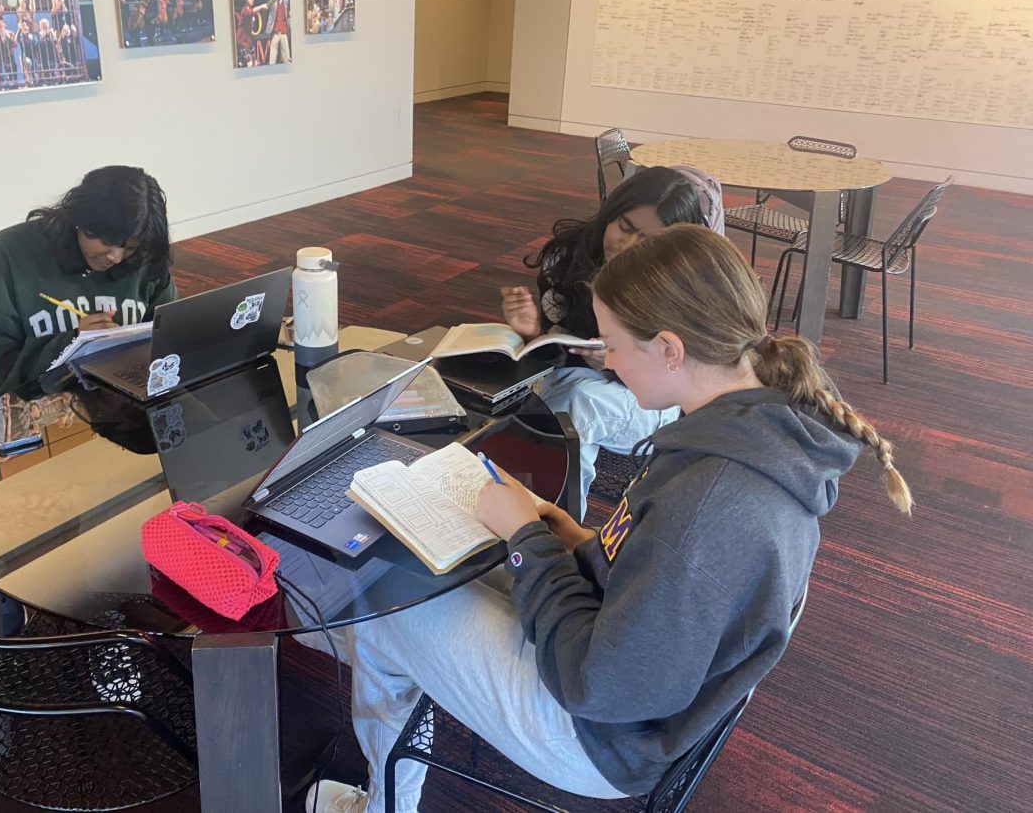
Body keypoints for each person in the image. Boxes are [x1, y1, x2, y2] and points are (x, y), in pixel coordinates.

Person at [307, 225, 913, 813]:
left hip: (596, 733)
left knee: (383, 605)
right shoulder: (752, 436)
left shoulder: (707, 503)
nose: (607, 362)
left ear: (670, 349)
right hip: (638, 685)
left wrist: (525, 540)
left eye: (613, 345)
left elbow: (595, 684)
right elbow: (662, 581)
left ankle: (385, 804)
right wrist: (576, 541)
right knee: (436, 564)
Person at [500, 166, 707, 510]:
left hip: (653, 399)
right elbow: (560, 344)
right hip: (572, 377)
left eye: (649, 241)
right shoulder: (568, 256)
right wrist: (533, 334)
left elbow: (683, 377)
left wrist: (616, 364)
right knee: (511, 394)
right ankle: (517, 508)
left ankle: (556, 532)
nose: (628, 245)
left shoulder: (680, 282)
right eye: (625, 227)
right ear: (611, 212)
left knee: (575, 405)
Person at [0, 166, 177, 414]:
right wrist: (68, 347)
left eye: (130, 248)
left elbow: (173, 341)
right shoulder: (10, 252)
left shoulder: (145, 256)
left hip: (118, 410)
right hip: (24, 411)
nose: (116, 257)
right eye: (108, 242)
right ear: (81, 220)